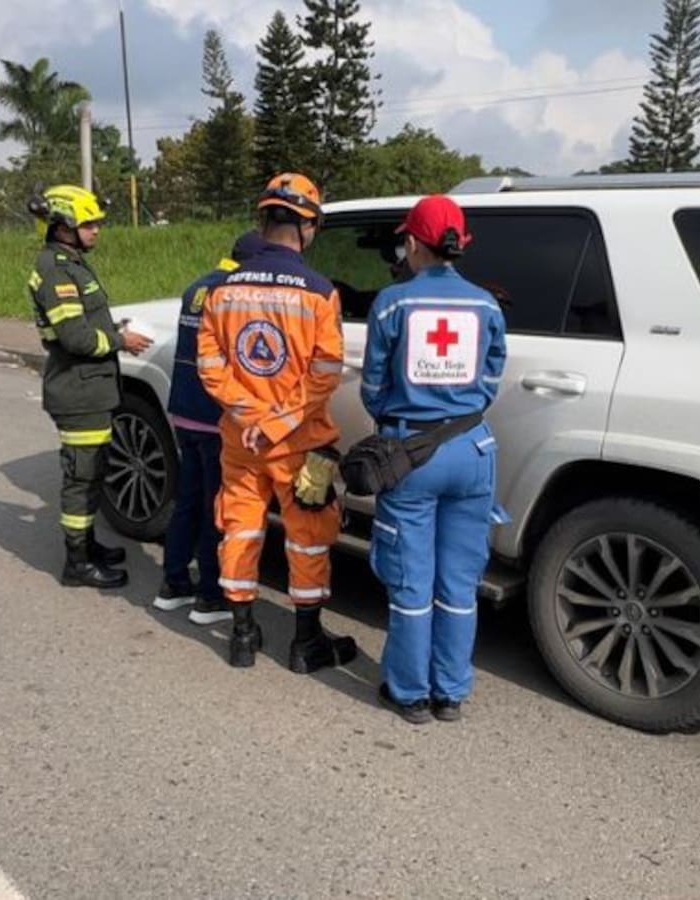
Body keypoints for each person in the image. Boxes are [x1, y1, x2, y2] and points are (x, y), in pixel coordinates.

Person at [197, 173, 356, 672]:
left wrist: (249, 414)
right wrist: (278, 420)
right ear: (308, 228)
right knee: (307, 535)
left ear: (262, 220)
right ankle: (306, 643)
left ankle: (243, 635)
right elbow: (325, 372)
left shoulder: (222, 289)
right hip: (300, 443)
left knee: (240, 528)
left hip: (241, 440)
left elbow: (209, 366)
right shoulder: (319, 292)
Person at [361, 194, 507, 724]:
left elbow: (373, 388)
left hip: (412, 455)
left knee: (410, 580)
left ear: (414, 243)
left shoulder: (393, 303)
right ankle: (451, 693)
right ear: (458, 245)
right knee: (460, 582)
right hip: (474, 450)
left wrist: (398, 413)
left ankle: (409, 693)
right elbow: (491, 380)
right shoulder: (487, 305)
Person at [27, 184, 152, 589]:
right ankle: (76, 563)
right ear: (64, 225)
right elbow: (76, 340)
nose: (97, 230)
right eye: (89, 224)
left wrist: (111, 330)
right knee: (81, 479)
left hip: (92, 389)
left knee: (95, 473)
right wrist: (121, 341)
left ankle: (89, 545)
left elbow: (85, 323)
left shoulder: (72, 262)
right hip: (78, 392)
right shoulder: (56, 270)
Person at [153, 231, 267, 625]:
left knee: (187, 500)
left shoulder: (197, 287)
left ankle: (173, 584)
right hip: (215, 418)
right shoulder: (234, 293)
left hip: (184, 410)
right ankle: (209, 596)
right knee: (215, 508)